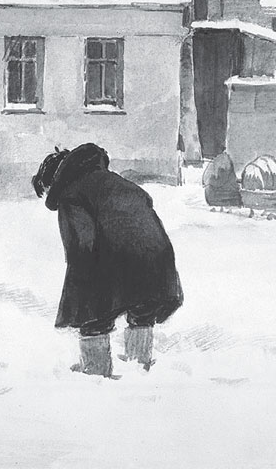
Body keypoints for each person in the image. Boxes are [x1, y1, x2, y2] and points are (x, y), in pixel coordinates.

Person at [32, 143, 182, 377]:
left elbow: (82, 246)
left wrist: (79, 296)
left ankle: (96, 371)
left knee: (92, 318)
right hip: (158, 261)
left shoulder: (71, 194)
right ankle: (139, 367)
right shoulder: (122, 184)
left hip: (118, 261)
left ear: (54, 179)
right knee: (143, 312)